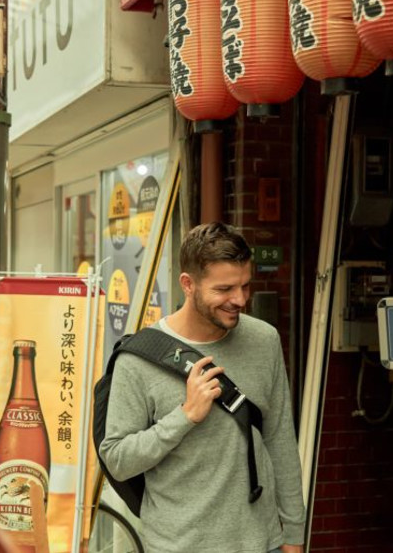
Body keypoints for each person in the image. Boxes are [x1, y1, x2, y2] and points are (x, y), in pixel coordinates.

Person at [99, 223, 306, 553]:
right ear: (188, 284)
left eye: (245, 286)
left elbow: (279, 440)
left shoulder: (264, 340)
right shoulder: (139, 359)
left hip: (261, 542)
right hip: (178, 545)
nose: (239, 299)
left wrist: (294, 534)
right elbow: (118, 459)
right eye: (224, 289)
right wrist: (184, 416)